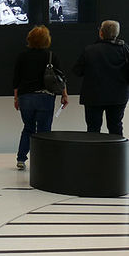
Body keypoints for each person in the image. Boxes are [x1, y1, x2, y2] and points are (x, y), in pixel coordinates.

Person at [13, 25, 68, 170]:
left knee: (28, 128)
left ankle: (21, 159)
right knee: (44, 131)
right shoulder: (51, 56)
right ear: (46, 40)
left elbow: (16, 79)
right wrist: (64, 95)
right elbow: (60, 78)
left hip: (26, 97)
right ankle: (43, 160)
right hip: (45, 96)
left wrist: (16, 98)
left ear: (30, 39)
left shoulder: (22, 56)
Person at [73, 20, 129, 136]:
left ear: (101, 33)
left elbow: (77, 71)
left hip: (93, 97)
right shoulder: (124, 49)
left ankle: (94, 154)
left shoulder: (90, 50)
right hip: (118, 97)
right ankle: (117, 154)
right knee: (116, 126)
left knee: (93, 129)